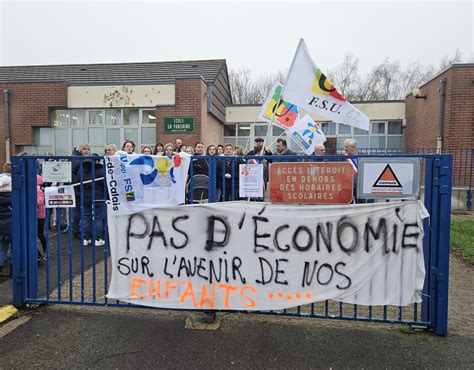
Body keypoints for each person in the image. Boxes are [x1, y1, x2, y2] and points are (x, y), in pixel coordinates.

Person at [72, 143, 105, 247]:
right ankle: (97, 239)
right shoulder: (100, 170)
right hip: (98, 196)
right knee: (98, 217)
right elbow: (104, 184)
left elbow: (77, 183)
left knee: (86, 217)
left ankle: (85, 239)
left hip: (84, 196)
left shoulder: (80, 170)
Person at [0, 165, 12, 275]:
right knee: (15, 248)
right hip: (13, 224)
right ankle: (14, 271)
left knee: (2, 247)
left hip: (1, 225)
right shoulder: (14, 196)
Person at [37, 175, 47, 260]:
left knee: (40, 234)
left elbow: (39, 202)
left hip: (40, 216)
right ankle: (37, 254)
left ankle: (45, 249)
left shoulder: (39, 192)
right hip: (34, 216)